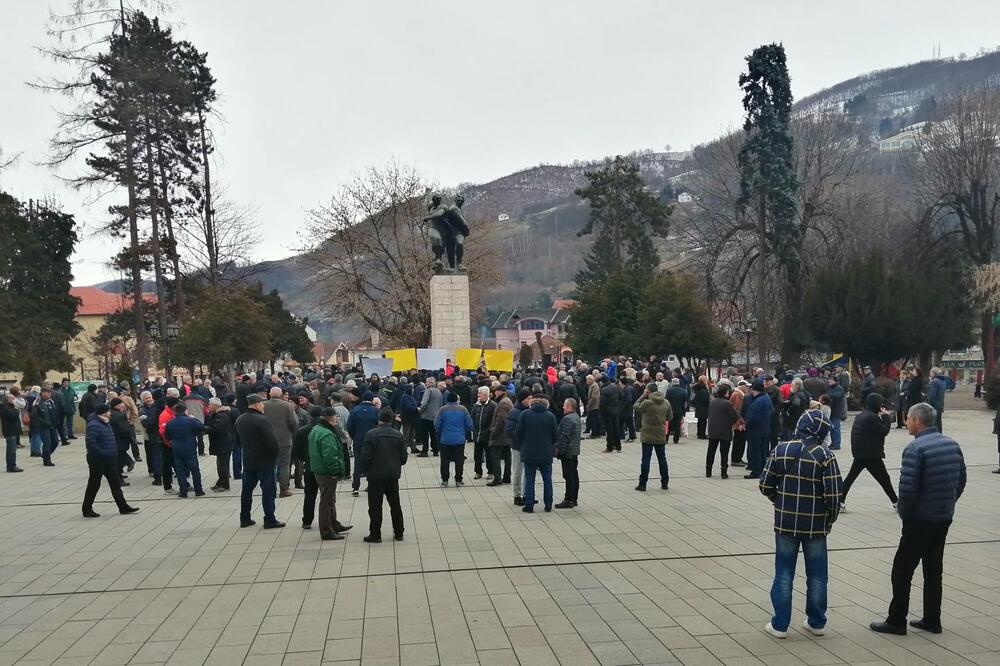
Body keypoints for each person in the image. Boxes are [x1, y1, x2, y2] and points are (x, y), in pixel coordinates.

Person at [870, 402, 966, 636]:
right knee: (933, 569)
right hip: (943, 516)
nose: (906, 422)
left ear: (917, 421)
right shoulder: (951, 443)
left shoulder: (915, 449)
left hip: (920, 518)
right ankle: (932, 619)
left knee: (902, 569)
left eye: (908, 419)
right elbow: (961, 479)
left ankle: (896, 620)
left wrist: (905, 513)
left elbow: (908, 488)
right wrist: (949, 502)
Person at [759, 410, 843, 639]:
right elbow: (834, 496)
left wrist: (780, 500)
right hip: (816, 525)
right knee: (817, 575)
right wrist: (829, 519)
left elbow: (765, 485)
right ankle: (816, 622)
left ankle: (780, 625)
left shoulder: (781, 449)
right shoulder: (825, 455)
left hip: (785, 522)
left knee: (784, 573)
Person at [357, 407, 408, 542]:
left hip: (375, 475)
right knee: (395, 505)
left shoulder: (371, 434)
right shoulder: (398, 435)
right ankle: (399, 532)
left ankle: (375, 533)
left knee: (375, 506)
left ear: (379, 419)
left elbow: (365, 456)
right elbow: (403, 457)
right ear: (391, 420)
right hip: (392, 475)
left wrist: (365, 470)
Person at [842, 393, 898, 511]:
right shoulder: (871, 417)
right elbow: (884, 430)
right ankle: (896, 502)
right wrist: (886, 417)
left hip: (861, 452)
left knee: (851, 477)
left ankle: (839, 501)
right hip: (870, 453)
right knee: (884, 478)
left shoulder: (862, 415)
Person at [82, 404, 139, 518]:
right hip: (97, 460)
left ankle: (123, 507)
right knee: (94, 484)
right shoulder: (94, 425)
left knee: (115, 483)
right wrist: (104, 453)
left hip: (109, 459)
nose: (110, 413)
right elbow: (91, 444)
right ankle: (86, 508)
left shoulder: (105, 422)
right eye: (108, 411)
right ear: (103, 413)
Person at [236, 395, 283, 528]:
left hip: (249, 461)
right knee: (268, 491)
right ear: (256, 405)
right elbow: (271, 442)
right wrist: (275, 454)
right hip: (265, 461)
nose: (263, 406)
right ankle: (269, 519)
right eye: (262, 404)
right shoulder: (262, 420)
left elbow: (238, 439)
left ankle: (244, 518)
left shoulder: (240, 419)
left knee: (247, 491)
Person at [308, 407, 349, 540]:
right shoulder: (327, 434)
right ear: (332, 418)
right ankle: (326, 530)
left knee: (330, 499)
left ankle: (334, 525)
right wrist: (334, 471)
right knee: (326, 502)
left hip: (318, 470)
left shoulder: (316, 429)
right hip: (326, 472)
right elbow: (330, 456)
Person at [515, 392, 558, 512]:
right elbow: (555, 436)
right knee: (547, 479)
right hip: (545, 453)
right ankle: (548, 504)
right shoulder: (550, 416)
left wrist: (523, 444)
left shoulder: (525, 414)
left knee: (529, 479)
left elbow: (518, 433)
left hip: (529, 452)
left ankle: (529, 505)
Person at [633, 381, 673, 491]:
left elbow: (636, 406)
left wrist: (643, 396)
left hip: (647, 434)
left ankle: (642, 484)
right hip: (660, 434)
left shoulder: (647, 402)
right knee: (662, 459)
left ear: (648, 391)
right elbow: (669, 417)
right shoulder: (666, 402)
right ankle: (665, 482)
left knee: (646, 459)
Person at [163, 403, 206, 498]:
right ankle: (198, 490)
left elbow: (167, 436)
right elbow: (201, 427)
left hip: (177, 448)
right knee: (194, 469)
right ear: (185, 410)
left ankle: (183, 491)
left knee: (180, 471)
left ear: (175, 412)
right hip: (190, 448)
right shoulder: (191, 420)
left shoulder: (170, 423)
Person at [263, 387, 298, 498]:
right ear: (281, 394)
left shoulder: (263, 405)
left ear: (269, 394)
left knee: (270, 465)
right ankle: (284, 489)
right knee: (284, 465)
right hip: (284, 440)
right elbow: (293, 422)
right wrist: (290, 432)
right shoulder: (287, 406)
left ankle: (269, 489)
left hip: (268, 440)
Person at [435, 392, 473, 486]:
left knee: (444, 460)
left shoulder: (442, 409)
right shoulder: (463, 409)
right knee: (459, 460)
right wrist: (464, 432)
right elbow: (469, 424)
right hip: (459, 439)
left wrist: (441, 431)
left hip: (445, 439)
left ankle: (445, 480)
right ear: (457, 399)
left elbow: (437, 424)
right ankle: (459, 480)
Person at [346, 393, 379, 496]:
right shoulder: (376, 410)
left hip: (359, 440)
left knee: (358, 463)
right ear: (371, 399)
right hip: (372, 440)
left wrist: (354, 435)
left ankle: (355, 487)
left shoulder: (355, 410)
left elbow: (349, 425)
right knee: (372, 462)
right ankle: (371, 485)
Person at [706, 385, 738, 478]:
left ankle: (708, 471)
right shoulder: (727, 403)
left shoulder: (712, 402)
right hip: (725, 431)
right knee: (724, 452)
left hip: (713, 430)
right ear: (725, 393)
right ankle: (723, 472)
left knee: (711, 451)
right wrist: (730, 423)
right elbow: (734, 416)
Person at [554, 398, 582, 508]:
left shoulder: (567, 419)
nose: (563, 407)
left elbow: (564, 437)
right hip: (574, 451)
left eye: (565, 405)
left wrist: (559, 451)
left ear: (569, 406)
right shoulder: (576, 417)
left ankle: (568, 499)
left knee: (569, 476)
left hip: (568, 452)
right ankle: (574, 499)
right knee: (574, 475)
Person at [205, 397, 236, 492]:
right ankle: (220, 482)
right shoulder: (215, 414)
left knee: (222, 466)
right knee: (221, 465)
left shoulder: (221, 416)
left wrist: (204, 428)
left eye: (210, 404)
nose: (209, 406)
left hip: (223, 444)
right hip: (219, 444)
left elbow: (217, 429)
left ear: (216, 405)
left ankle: (225, 485)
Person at [743, 382, 773, 479]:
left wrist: (746, 425)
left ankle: (756, 471)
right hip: (765, 429)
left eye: (752, 390)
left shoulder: (758, 401)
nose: (751, 392)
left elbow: (752, 417)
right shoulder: (767, 398)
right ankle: (761, 469)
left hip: (756, 430)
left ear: (756, 390)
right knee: (762, 451)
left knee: (755, 451)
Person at [487, 385, 513, 486]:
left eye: (495, 391)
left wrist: (493, 432)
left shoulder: (502, 403)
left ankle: (497, 478)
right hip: (506, 434)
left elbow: (501, 420)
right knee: (507, 456)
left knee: (495, 456)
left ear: (500, 391)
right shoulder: (507, 400)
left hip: (500, 434)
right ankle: (507, 477)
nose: (494, 393)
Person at [470, 386, 496, 480]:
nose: (478, 395)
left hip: (487, 435)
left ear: (486, 394)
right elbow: (472, 416)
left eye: (479, 393)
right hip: (477, 434)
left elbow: (494, 420)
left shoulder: (493, 405)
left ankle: (490, 472)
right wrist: (473, 428)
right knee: (477, 456)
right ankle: (478, 472)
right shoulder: (476, 405)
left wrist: (489, 430)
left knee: (489, 455)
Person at [31, 387, 60, 467]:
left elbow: (54, 412)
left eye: (50, 392)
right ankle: (47, 460)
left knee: (55, 442)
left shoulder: (51, 401)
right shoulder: (37, 402)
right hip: (43, 426)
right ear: (43, 393)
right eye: (48, 392)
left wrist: (56, 422)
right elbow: (35, 416)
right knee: (47, 443)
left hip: (53, 425)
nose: (49, 394)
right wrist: (43, 422)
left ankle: (45, 454)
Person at [417, 377, 442, 456]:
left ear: (430, 383)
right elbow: (440, 404)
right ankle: (435, 450)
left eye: (427, 382)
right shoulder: (439, 391)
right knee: (433, 434)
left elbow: (424, 403)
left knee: (424, 434)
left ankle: (425, 450)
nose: (426, 383)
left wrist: (420, 412)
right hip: (435, 416)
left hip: (426, 416)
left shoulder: (428, 391)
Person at [599, 375, 623, 452]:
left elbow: (602, 403)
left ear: (602, 382)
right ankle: (618, 446)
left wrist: (602, 412)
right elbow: (621, 396)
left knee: (609, 429)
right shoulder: (616, 387)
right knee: (616, 428)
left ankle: (610, 447)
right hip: (616, 411)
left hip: (607, 412)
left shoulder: (604, 390)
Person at [2, 393, 23, 472]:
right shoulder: (5, 407)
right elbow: (13, 416)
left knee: (13, 449)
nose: (14, 400)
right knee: (11, 450)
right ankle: (11, 466)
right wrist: (16, 408)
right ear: (7, 399)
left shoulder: (11, 407)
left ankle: (12, 464)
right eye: (12, 398)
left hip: (14, 430)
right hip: (9, 431)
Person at [730, 381, 748, 466]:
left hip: (738, 422)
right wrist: (742, 421)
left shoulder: (738, 394)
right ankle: (736, 459)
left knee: (740, 441)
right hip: (738, 423)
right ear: (741, 386)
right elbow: (737, 409)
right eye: (746, 386)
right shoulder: (737, 395)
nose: (747, 388)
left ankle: (738, 458)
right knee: (739, 441)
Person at [824, 377, 846, 451]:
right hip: (831, 410)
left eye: (832, 380)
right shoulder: (830, 388)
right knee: (832, 428)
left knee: (835, 428)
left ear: (836, 381)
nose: (829, 381)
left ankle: (836, 443)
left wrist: (826, 397)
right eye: (829, 379)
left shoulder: (839, 388)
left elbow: (835, 397)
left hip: (836, 411)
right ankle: (833, 443)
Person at [926, 368, 950, 433]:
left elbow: (932, 395)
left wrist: (928, 404)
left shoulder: (934, 381)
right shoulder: (943, 380)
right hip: (940, 404)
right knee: (939, 422)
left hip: (934, 405)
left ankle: (934, 437)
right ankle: (939, 435)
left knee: (934, 423)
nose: (930, 374)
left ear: (934, 373)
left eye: (930, 373)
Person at [665, 378, 688, 444]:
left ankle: (666, 439)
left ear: (672, 383)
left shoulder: (669, 390)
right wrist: (684, 411)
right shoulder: (683, 391)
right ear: (678, 383)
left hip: (670, 410)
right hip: (679, 410)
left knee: (669, 425)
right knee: (677, 425)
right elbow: (685, 402)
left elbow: (666, 401)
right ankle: (676, 439)